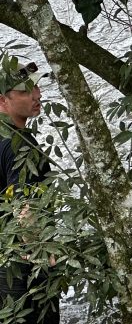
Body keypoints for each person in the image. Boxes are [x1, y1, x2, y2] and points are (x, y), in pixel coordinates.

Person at [0, 58, 59, 324]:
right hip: (22, 272)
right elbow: (25, 209)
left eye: (35, 87)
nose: (37, 94)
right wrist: (45, 253)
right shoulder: (19, 145)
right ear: (3, 101)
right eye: (25, 91)